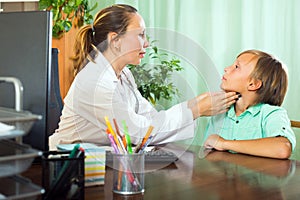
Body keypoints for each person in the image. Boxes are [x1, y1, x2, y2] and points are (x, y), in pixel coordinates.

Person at [48, 4, 238, 150]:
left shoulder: (124, 74)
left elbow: (149, 118)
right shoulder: (94, 82)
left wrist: (194, 105)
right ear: (115, 40)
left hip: (99, 159)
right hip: (66, 163)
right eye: (140, 35)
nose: (146, 43)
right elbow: (135, 133)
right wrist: (194, 110)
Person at [203, 49, 296, 159]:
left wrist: (224, 143)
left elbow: (282, 148)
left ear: (253, 84)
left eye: (237, 67)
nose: (226, 69)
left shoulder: (272, 114)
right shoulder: (220, 113)